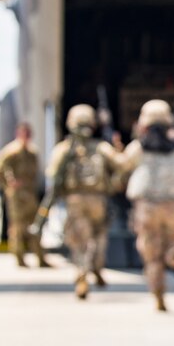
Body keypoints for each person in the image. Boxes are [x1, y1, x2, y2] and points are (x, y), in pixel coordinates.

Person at [120, 99, 174, 311]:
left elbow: (123, 167)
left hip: (147, 207)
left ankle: (158, 294)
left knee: (151, 254)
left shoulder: (138, 147)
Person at [46, 104, 124, 300]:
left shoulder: (63, 149)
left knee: (79, 240)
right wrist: (117, 148)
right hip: (98, 199)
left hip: (75, 201)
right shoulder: (102, 148)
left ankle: (82, 273)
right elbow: (122, 165)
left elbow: (52, 173)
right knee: (98, 236)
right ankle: (96, 268)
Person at [0, 122, 49, 268]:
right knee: (17, 227)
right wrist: (8, 184)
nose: (27, 136)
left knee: (35, 225)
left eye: (29, 134)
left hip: (30, 192)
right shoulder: (11, 151)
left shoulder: (32, 152)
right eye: (24, 133)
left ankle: (40, 257)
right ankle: (19, 257)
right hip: (17, 194)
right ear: (18, 134)